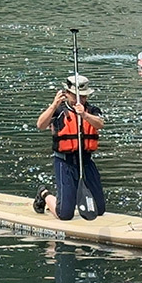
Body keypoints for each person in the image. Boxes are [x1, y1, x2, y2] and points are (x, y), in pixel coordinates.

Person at [34, 75, 105, 220]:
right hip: (64, 163)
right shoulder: (58, 110)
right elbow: (40, 125)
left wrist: (84, 114)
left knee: (100, 210)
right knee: (65, 215)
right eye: (77, 96)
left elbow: (100, 124)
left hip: (85, 162)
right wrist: (53, 104)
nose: (81, 100)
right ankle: (44, 194)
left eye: (84, 97)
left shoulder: (91, 110)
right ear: (67, 93)